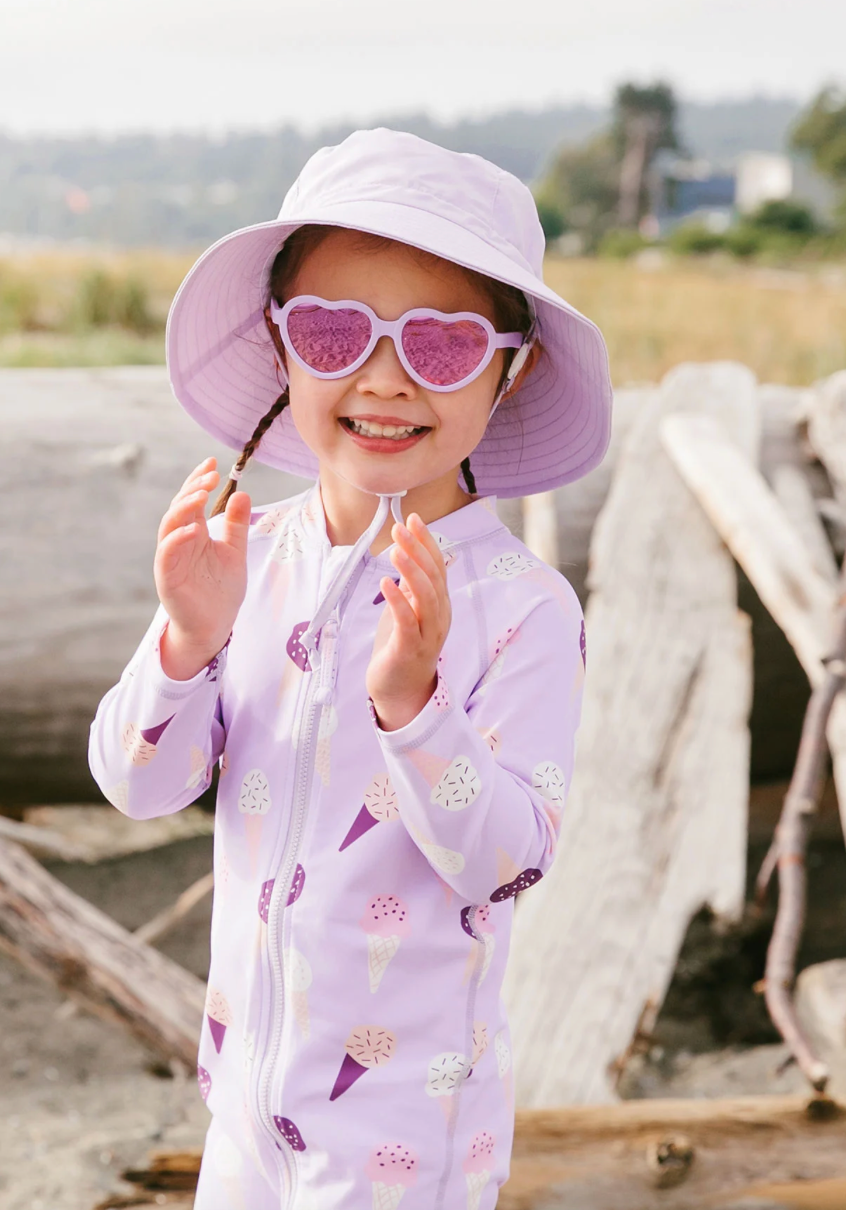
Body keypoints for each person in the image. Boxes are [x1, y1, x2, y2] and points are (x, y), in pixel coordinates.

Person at [88, 128, 612, 1210]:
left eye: (442, 344)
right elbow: (136, 785)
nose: (383, 378)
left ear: (507, 369)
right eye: (333, 332)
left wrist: (414, 707)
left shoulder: (519, 608)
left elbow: (506, 859)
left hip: (406, 1144)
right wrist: (185, 637)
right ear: (281, 348)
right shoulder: (249, 560)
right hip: (241, 1112)